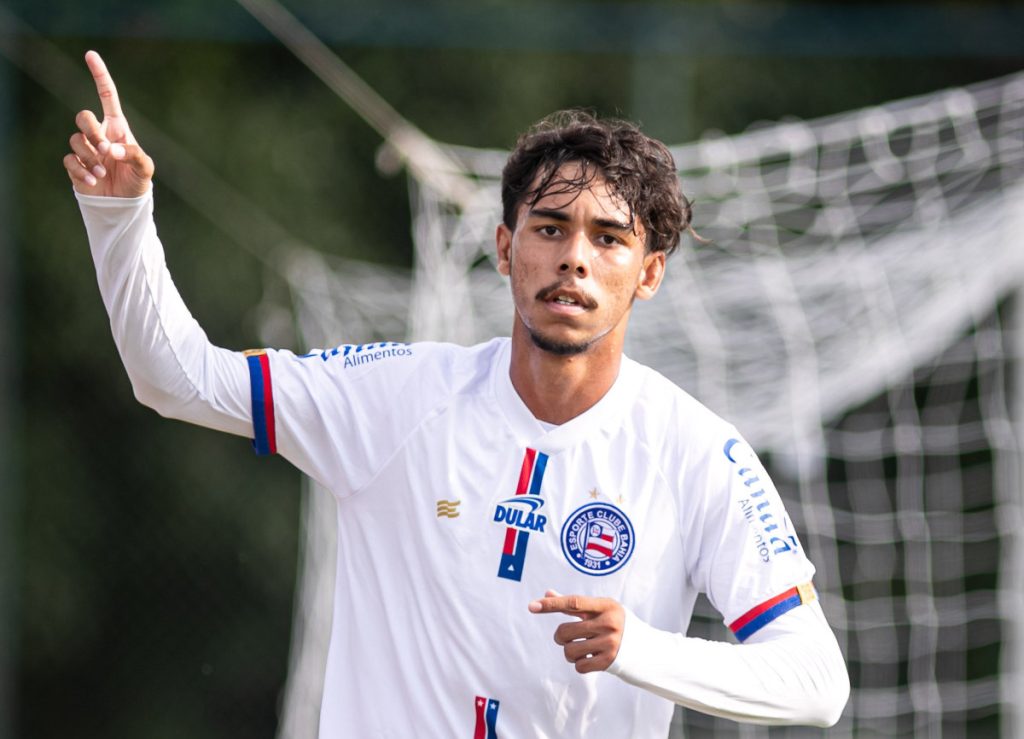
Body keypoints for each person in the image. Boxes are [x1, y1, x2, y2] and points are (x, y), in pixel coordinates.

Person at [65, 50, 849, 737]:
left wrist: (638, 648)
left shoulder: (695, 453)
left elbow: (818, 682)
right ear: (505, 250)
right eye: (549, 227)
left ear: (647, 273)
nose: (574, 257)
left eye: (608, 237)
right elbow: (177, 378)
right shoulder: (397, 396)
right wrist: (119, 216)